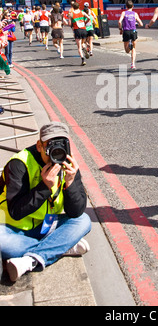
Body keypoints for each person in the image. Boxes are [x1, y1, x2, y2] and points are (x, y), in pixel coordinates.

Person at [0, 121, 91, 282]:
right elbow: (15, 212)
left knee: (83, 221)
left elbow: (76, 212)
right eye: (51, 146)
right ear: (40, 146)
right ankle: (60, 247)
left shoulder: (68, 164)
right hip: (12, 228)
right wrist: (44, 187)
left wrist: (70, 184)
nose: (56, 153)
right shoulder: (19, 164)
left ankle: (30, 260)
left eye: (62, 146)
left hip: (46, 226)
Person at [119, 0, 144, 70]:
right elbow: (141, 24)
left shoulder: (123, 13)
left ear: (126, 6)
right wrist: (137, 24)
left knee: (127, 51)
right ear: (133, 6)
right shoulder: (135, 14)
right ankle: (133, 64)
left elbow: (119, 21)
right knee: (134, 49)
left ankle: (129, 46)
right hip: (133, 31)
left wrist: (120, 29)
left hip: (126, 31)